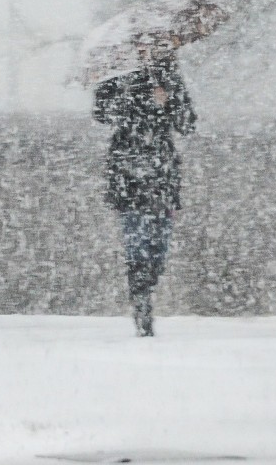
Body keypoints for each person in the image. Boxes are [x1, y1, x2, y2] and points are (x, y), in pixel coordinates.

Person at [93, 35, 197, 337]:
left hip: (162, 171)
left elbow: (187, 122)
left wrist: (170, 101)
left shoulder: (168, 77)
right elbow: (102, 114)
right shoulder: (116, 75)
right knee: (136, 238)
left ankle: (146, 285)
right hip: (128, 170)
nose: (146, 52)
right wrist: (128, 98)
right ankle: (141, 297)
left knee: (158, 242)